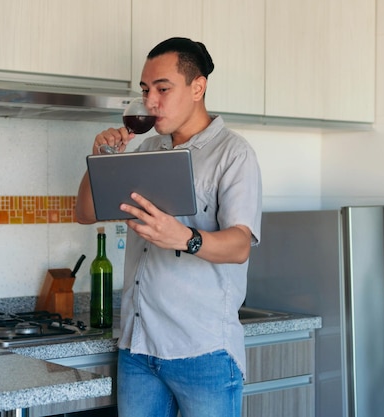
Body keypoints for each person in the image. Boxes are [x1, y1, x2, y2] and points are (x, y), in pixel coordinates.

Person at [75, 37, 262, 417]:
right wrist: (99, 159)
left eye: (163, 88)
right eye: (146, 91)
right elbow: (86, 212)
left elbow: (240, 244)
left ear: (198, 87)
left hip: (203, 351)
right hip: (139, 350)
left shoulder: (233, 153)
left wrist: (185, 238)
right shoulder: (146, 150)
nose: (151, 102)